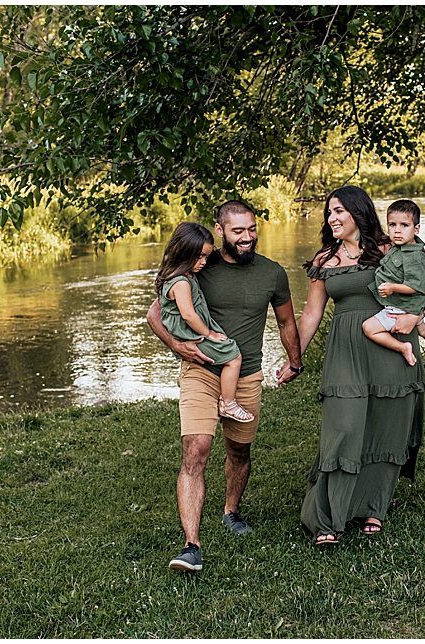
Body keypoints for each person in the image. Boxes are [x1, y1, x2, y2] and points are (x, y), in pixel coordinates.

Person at [275, 186, 425, 544]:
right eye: (329, 212)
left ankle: (373, 508)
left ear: (358, 213)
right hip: (346, 352)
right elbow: (312, 314)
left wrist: (414, 320)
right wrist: (295, 360)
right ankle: (327, 518)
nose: (331, 218)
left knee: (385, 426)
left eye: (338, 211)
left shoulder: (389, 250)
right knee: (344, 428)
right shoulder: (324, 261)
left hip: (392, 348)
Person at [147, 200, 303, 572]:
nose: (247, 237)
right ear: (220, 231)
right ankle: (191, 545)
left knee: (239, 452)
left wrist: (295, 360)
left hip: (246, 374)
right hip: (200, 371)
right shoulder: (198, 266)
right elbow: (156, 314)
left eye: (252, 229)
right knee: (195, 450)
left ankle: (231, 511)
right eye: (238, 231)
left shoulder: (272, 273)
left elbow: (285, 323)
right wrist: (177, 345)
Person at [155, 222, 254, 423]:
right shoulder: (181, 282)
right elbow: (189, 316)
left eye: (206, 256)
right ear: (182, 253)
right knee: (233, 357)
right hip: (193, 334)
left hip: (194, 332)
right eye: (198, 256)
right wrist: (208, 334)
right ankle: (228, 403)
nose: (203, 262)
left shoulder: (183, 275)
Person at [362, 199, 425, 369]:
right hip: (411, 306)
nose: (397, 231)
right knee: (422, 328)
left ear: (416, 229)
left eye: (404, 225)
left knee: (369, 328)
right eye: (392, 225)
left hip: (401, 307)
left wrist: (392, 287)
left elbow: (416, 286)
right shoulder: (401, 246)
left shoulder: (413, 257)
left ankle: (403, 347)